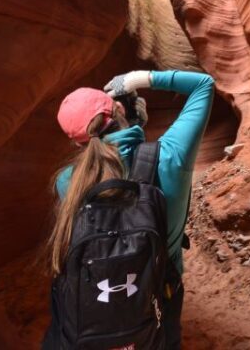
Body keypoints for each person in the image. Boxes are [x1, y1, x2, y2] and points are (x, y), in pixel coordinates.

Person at [44, 69, 215, 349]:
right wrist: (140, 78)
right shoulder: (169, 158)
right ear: (119, 108)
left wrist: (128, 123)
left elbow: (110, 166)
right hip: (160, 294)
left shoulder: (66, 182)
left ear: (76, 142)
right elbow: (203, 85)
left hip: (96, 308)